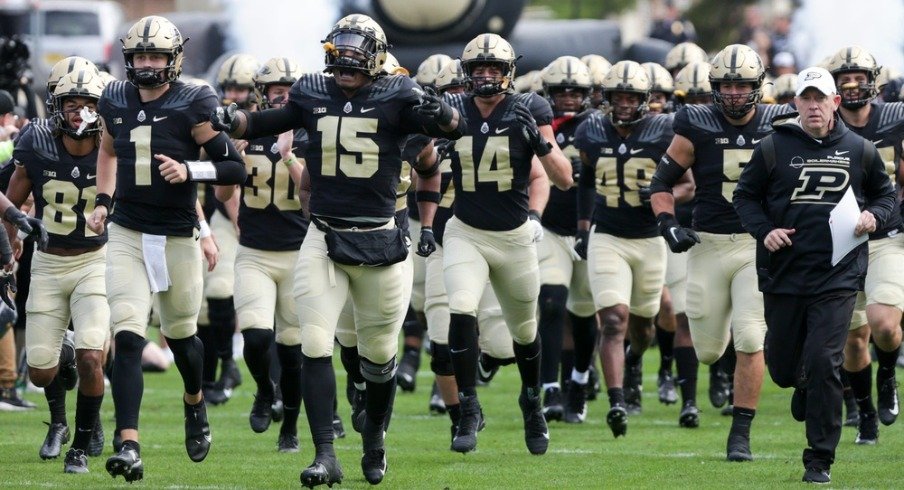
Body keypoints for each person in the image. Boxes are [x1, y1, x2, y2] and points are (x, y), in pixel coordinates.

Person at [210, 13, 465, 487]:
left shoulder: (398, 93)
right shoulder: (311, 92)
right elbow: (267, 119)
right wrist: (233, 120)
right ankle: (325, 453)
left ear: (375, 56)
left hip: (381, 241)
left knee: (377, 356)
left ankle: (374, 441)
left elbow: (451, 128)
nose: (346, 59)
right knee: (314, 342)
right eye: (340, 48)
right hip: (323, 237)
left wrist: (443, 111)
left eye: (356, 49)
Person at [86, 15, 247, 482]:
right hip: (127, 232)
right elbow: (109, 151)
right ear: (128, 59)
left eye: (157, 56)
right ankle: (128, 443)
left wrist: (191, 171)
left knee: (181, 338)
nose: (149, 64)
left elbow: (233, 169)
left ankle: (194, 402)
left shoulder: (194, 101)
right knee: (129, 337)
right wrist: (102, 201)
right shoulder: (114, 97)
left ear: (174, 59)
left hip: (178, 233)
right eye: (141, 56)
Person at [733, 66, 896, 484]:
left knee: (826, 360)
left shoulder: (860, 149)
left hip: (837, 276)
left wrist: (873, 217)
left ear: (835, 102)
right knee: (784, 370)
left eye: (821, 98)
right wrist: (765, 230)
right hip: (784, 274)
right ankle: (801, 380)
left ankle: (819, 459)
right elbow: (745, 196)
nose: (813, 106)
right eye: (806, 98)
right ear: (795, 104)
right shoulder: (772, 147)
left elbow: (886, 195)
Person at [414, 32, 572, 456]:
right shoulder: (453, 111)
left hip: (515, 236)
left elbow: (563, 177)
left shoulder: (529, 107)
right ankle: (467, 406)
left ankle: (532, 402)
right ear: (466, 74)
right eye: (478, 69)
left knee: (524, 332)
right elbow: (423, 172)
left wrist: (540, 142)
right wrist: (427, 148)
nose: (486, 76)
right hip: (465, 232)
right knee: (459, 312)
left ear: (508, 72)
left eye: (494, 68)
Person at [650, 44, 790, 461]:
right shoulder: (695, 123)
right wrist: (668, 224)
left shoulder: (780, 123)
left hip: (756, 244)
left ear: (757, 86)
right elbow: (660, 184)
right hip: (708, 243)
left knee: (749, 335)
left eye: (740, 85)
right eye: (725, 85)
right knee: (709, 349)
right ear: (714, 88)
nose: (732, 93)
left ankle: (740, 433)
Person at [574, 60, 689, 433]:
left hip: (649, 239)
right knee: (612, 320)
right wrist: (582, 227)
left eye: (631, 97)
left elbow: (689, 184)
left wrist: (660, 193)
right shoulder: (592, 130)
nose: (624, 103)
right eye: (617, 96)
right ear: (606, 98)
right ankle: (617, 401)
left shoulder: (662, 130)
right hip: (607, 236)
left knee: (643, 326)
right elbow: (587, 182)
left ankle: (636, 359)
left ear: (645, 99)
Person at [214, 56, 309, 452]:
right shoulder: (245, 134)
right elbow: (222, 194)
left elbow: (313, 197)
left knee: (292, 350)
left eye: (287, 92)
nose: (281, 98)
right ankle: (262, 391)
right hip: (254, 250)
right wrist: (230, 161)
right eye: (275, 92)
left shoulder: (310, 133)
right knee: (255, 337)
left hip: (298, 253)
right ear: (262, 95)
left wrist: (288, 155)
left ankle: (289, 426)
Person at [827, 46, 904, 445]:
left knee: (885, 326)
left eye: (859, 78)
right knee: (852, 340)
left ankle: (888, 375)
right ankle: (866, 411)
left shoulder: (893, 120)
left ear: (874, 82)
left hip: (887, 237)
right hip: (840, 243)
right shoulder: (821, 125)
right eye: (845, 79)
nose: (853, 85)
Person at [534, 56, 598, 425]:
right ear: (549, 93)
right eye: (562, 91)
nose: (570, 98)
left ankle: (578, 380)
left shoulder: (597, 126)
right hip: (551, 229)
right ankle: (549, 388)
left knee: (585, 313)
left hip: (590, 228)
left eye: (576, 91)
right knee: (553, 302)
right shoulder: (537, 124)